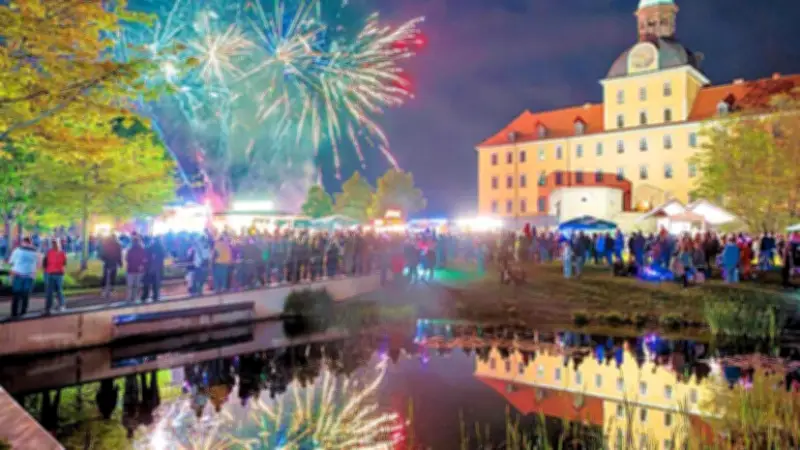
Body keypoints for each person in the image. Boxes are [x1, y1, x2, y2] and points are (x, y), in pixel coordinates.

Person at [9, 237, 39, 318]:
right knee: (26, 295)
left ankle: (14, 313)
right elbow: (37, 264)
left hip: (18, 274)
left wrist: (11, 274)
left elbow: (11, 262)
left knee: (16, 294)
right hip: (29, 275)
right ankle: (23, 312)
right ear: (30, 243)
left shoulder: (17, 250)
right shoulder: (35, 252)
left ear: (23, 242)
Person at [43, 238, 67, 313]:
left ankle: (62, 305)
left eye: (56, 243)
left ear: (59, 244)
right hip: (50, 273)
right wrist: (46, 272)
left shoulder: (62, 253)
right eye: (53, 243)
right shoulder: (49, 252)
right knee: (49, 292)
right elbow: (45, 263)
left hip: (59, 274)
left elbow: (64, 263)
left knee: (59, 290)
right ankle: (48, 308)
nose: (54, 245)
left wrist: (61, 270)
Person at [142, 237, 166, 302]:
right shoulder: (161, 247)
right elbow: (164, 256)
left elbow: (146, 257)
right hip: (157, 268)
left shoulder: (150, 247)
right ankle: (155, 296)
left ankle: (145, 296)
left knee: (147, 282)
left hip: (150, 267)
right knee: (156, 283)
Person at [125, 236, 148, 302]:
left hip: (130, 269)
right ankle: (134, 298)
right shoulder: (142, 250)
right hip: (139, 270)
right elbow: (145, 260)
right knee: (136, 285)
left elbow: (127, 259)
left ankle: (129, 298)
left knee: (130, 286)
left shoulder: (130, 250)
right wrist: (142, 265)